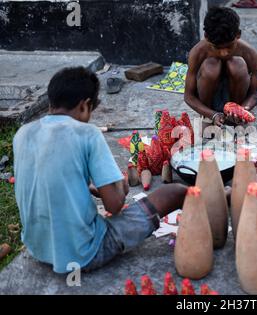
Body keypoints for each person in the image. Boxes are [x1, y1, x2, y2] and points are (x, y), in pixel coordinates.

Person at [13, 67, 188, 273]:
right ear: (85, 106)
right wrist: (120, 188)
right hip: (83, 254)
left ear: (51, 102)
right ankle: (223, 198)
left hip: (38, 249)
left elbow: (49, 179)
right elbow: (114, 206)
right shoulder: (87, 134)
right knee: (175, 192)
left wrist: (87, 185)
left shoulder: (23, 134)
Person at [184, 7, 257, 127]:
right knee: (211, 66)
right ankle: (207, 118)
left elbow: (254, 94)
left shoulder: (249, 54)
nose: (224, 53)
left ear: (238, 35)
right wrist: (211, 114)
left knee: (237, 64)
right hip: (208, 104)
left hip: (236, 99)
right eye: (217, 48)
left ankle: (234, 120)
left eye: (229, 47)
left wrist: (243, 109)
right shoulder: (198, 53)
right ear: (206, 37)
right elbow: (189, 96)